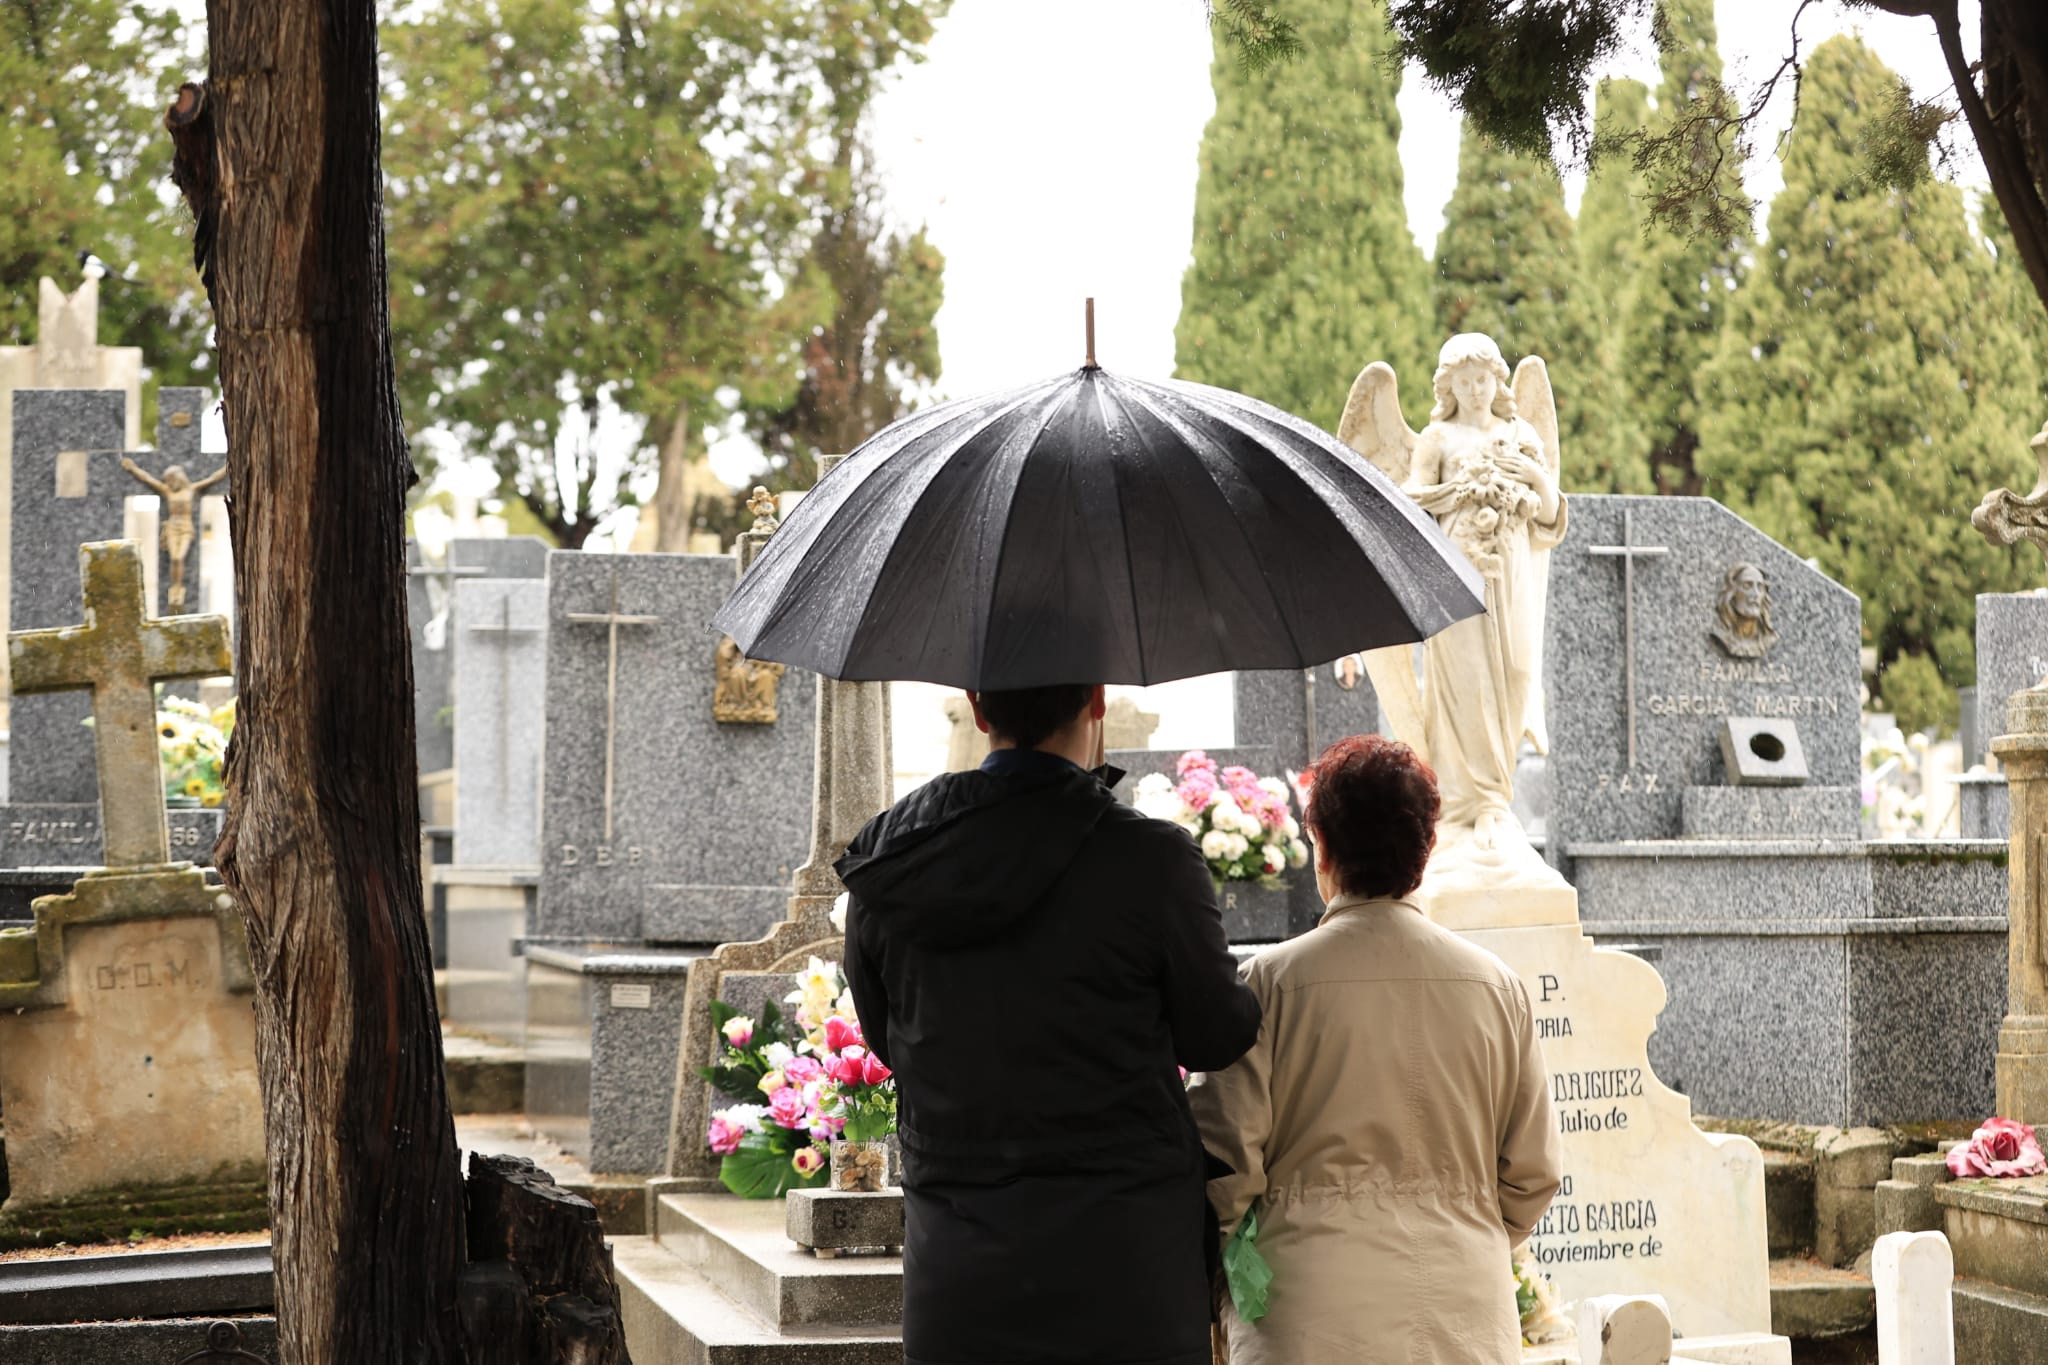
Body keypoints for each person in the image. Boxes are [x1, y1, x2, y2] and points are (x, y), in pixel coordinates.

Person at [838, 682, 1262, 1365]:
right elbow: (1215, 1032)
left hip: (959, 1263)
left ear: (979, 709)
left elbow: (886, 1037)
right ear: (1096, 701)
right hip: (1127, 1268)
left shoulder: (892, 864)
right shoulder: (1149, 859)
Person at [1189, 734, 1562, 1362]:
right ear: (1428, 845)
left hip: (1307, 1310)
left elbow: (1223, 1164)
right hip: (1464, 1307)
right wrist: (1465, 1227)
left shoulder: (1268, 985)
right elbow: (1533, 1172)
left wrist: (1238, 1271)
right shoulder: (1497, 989)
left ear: (1323, 846)